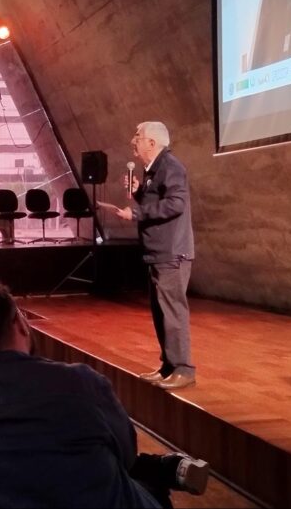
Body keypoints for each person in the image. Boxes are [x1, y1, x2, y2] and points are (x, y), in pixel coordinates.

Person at [0, 280, 208, 508]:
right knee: (149, 485)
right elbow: (126, 455)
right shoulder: (81, 382)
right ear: (20, 324)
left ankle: (168, 468)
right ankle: (168, 469)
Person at [98, 121, 196, 390]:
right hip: (157, 252)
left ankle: (184, 368)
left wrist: (137, 213)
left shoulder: (171, 167)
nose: (133, 141)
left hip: (172, 252)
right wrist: (139, 192)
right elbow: (156, 202)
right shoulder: (153, 170)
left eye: (138, 137)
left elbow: (176, 203)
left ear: (152, 143)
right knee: (160, 312)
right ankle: (168, 366)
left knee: (172, 311)